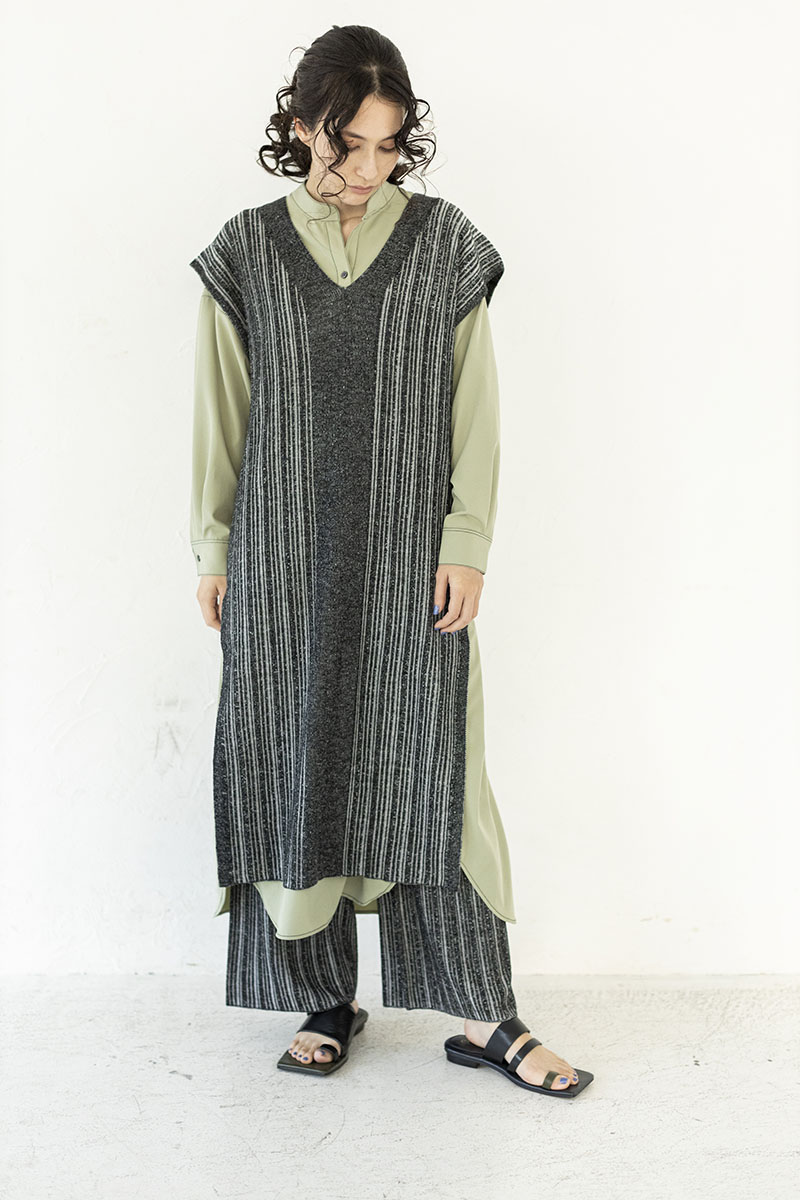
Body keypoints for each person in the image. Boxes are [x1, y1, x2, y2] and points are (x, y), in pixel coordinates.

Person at [189, 24, 592, 1098]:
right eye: (346, 144)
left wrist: (467, 540)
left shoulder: (444, 245)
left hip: (412, 562)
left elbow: (476, 410)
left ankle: (485, 1018)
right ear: (298, 129)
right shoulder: (244, 252)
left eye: (388, 145)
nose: (367, 168)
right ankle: (323, 999)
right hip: (282, 561)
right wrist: (214, 547)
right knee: (295, 762)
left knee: (435, 775)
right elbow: (220, 416)